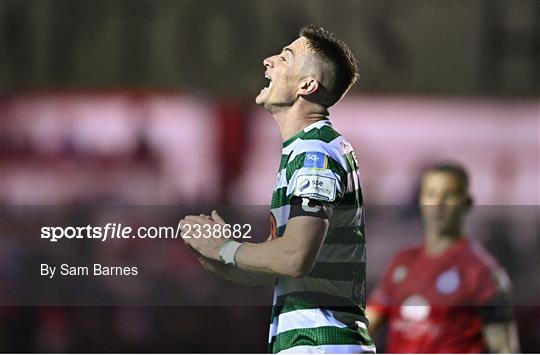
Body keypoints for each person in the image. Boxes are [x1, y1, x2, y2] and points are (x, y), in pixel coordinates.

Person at [180, 24, 375, 353]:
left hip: (319, 345)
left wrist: (227, 248)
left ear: (307, 85)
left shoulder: (315, 154)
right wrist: (219, 258)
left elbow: (295, 257)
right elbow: (281, 266)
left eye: (285, 57)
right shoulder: (305, 150)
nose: (268, 61)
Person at [366, 163, 520, 353]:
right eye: (430, 194)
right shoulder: (402, 262)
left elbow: (505, 348)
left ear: (466, 202)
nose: (437, 203)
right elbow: (365, 327)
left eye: (448, 195)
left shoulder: (483, 272)